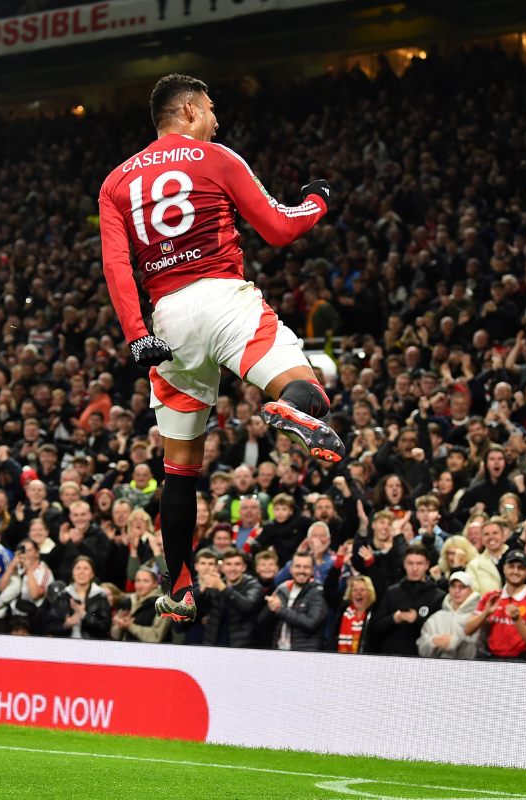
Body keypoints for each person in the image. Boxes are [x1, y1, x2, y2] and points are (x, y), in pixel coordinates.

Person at [99, 73, 343, 624]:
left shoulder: (115, 182)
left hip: (168, 323)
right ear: (186, 112)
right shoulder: (216, 158)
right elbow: (279, 228)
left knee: (179, 468)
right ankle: (288, 408)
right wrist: (317, 201)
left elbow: (117, 267)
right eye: (209, 109)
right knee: (308, 389)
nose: (216, 119)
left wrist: (138, 334)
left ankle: (180, 587)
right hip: (224, 298)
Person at [465, 550, 526, 660]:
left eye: (520, 568)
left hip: (521, 661)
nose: (515, 571)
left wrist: (517, 619)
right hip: (491, 658)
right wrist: (486, 613)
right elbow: (468, 630)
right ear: (504, 568)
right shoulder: (491, 596)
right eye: (511, 566)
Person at [365, 543, 445, 655]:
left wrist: (417, 619)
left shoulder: (438, 596)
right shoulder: (392, 592)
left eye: (419, 563)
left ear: (427, 565)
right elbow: (375, 629)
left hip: (424, 660)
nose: (415, 568)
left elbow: (441, 632)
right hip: (393, 656)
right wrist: (394, 619)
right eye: (410, 563)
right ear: (404, 564)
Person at [259, 551, 328, 651]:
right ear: (291, 569)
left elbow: (311, 623)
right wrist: (271, 608)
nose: (301, 571)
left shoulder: (317, 592)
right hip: (279, 651)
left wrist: (280, 610)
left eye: (306, 567)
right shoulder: (283, 589)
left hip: (304, 654)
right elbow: (262, 622)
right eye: (298, 566)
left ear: (312, 570)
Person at [199, 547, 265, 648]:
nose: (232, 569)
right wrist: (201, 589)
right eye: (228, 564)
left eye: (237, 564)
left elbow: (246, 607)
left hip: (241, 647)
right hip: (213, 645)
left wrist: (223, 587)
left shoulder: (254, 585)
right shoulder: (216, 584)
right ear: (222, 567)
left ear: (244, 567)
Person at [417, 571, 482, 659]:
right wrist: (432, 642)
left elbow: (480, 650)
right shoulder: (436, 618)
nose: (457, 591)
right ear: (449, 589)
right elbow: (421, 647)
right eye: (453, 586)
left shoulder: (478, 618)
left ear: (471, 591)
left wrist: (456, 643)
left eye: (462, 587)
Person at [45, 556, 111, 639]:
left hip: (92, 646)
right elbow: (50, 625)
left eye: (85, 568)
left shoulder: (100, 597)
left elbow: (105, 628)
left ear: (92, 574)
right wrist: (65, 625)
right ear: (73, 573)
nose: (81, 572)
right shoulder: (63, 596)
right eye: (78, 568)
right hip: (66, 645)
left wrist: (84, 615)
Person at [111, 567, 171, 643]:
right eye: (138, 580)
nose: (140, 585)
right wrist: (119, 626)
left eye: (145, 581)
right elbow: (114, 634)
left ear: (155, 584)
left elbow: (156, 637)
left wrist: (130, 626)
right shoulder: (127, 602)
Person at [334, 575, 375, 653]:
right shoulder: (344, 613)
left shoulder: (374, 615)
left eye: (362, 590)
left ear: (370, 593)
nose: (358, 593)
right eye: (355, 590)